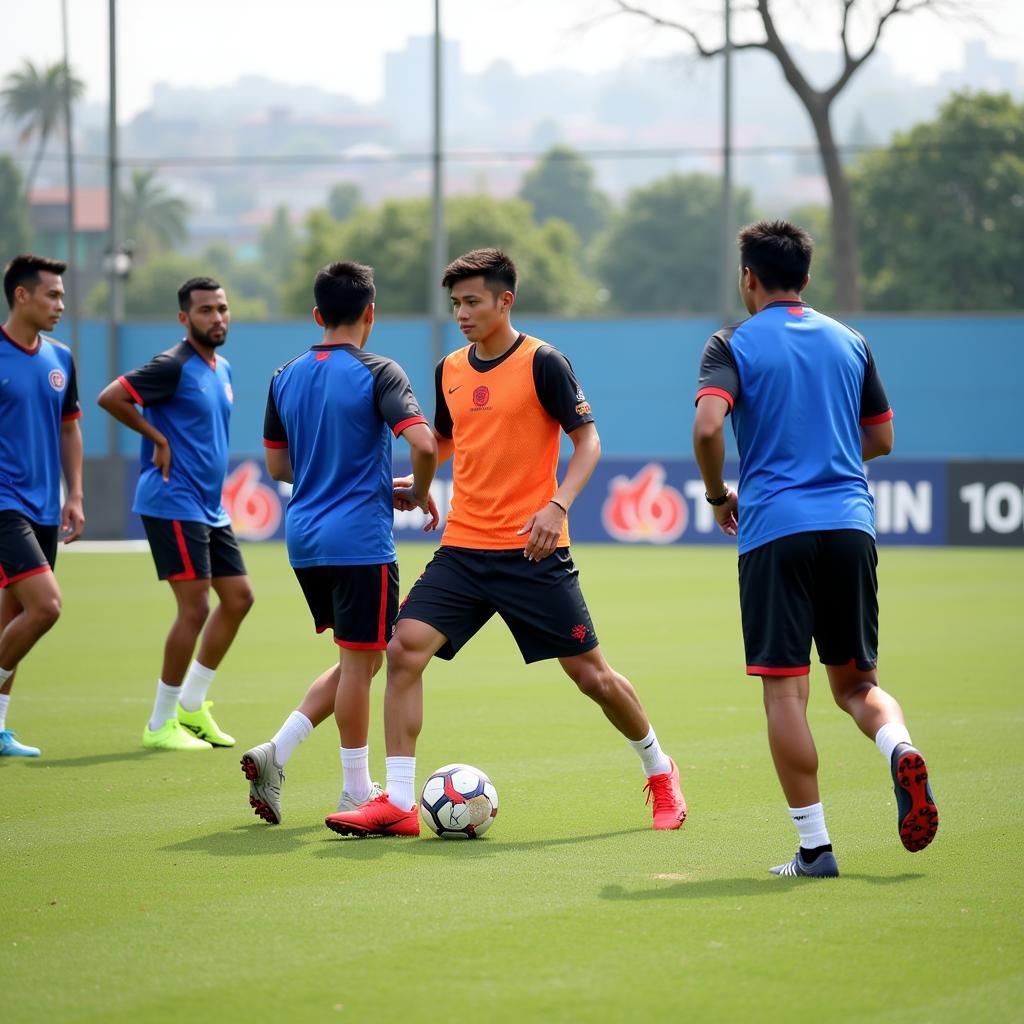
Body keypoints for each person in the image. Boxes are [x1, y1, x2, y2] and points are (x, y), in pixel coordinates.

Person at [327, 248, 687, 837]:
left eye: (472, 302)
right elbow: (446, 442)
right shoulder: (449, 369)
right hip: (464, 550)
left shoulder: (544, 362)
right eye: (456, 304)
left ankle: (659, 768)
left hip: (534, 552)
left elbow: (589, 443)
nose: (462, 313)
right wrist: (417, 484)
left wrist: (558, 504)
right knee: (403, 652)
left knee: (592, 677)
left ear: (504, 301)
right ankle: (395, 803)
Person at [692, 219, 938, 878]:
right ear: (806, 275)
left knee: (785, 694)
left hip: (776, 529)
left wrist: (719, 493)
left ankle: (815, 848)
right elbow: (882, 438)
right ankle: (899, 747)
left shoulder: (731, 343)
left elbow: (709, 424)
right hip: (851, 525)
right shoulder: (850, 340)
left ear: (749, 277)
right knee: (858, 684)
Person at [241, 261, 437, 825]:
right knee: (361, 665)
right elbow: (423, 445)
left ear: (317, 315)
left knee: (362, 657)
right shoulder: (379, 371)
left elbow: (278, 463)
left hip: (304, 538)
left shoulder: (284, 374)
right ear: (370, 313)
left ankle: (277, 752)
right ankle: (355, 790)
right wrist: (418, 491)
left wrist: (343, 475)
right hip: (360, 541)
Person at [98, 277, 253, 751]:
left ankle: (191, 706)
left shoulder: (221, 368)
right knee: (195, 607)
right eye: (205, 310)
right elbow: (111, 397)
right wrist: (158, 439)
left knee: (239, 598)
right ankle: (160, 722)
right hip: (171, 500)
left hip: (209, 506)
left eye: (222, 308)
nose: (217, 317)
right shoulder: (172, 365)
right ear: (185, 319)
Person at [0, 255, 84, 757]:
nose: (60, 304)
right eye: (52, 295)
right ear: (21, 295)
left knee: (12, 613)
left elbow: (69, 427)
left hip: (43, 508)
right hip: (4, 504)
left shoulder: (61, 358)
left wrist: (73, 493)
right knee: (45, 606)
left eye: (62, 296)